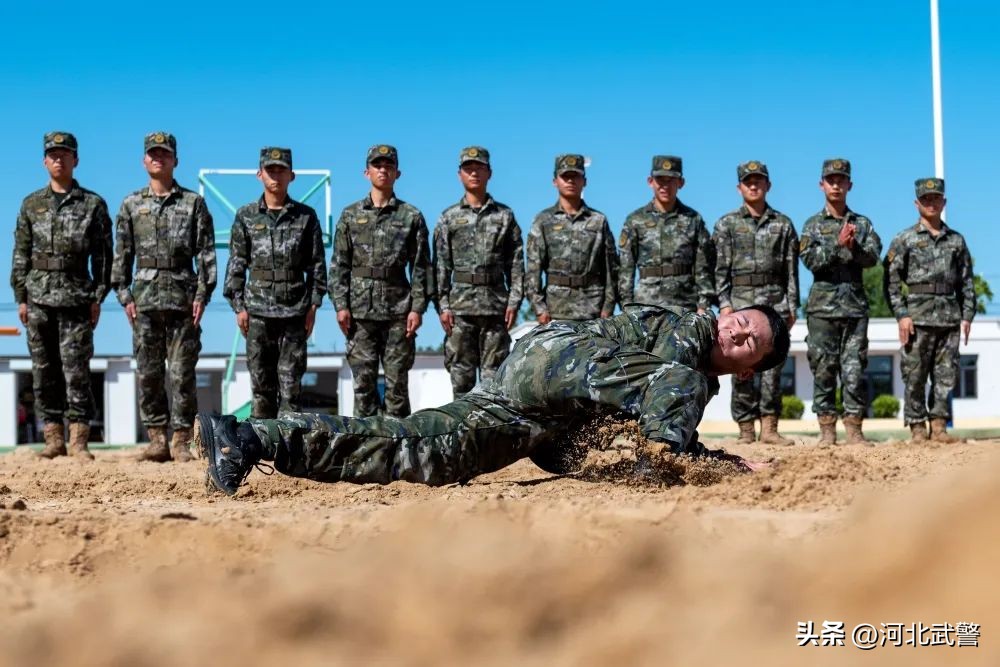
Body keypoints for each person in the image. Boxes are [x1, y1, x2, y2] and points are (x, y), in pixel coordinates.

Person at [196, 303, 790, 495]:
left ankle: (251, 437)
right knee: (674, 404)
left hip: (532, 408)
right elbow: (671, 395)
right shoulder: (688, 336)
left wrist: (713, 457)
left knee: (417, 451)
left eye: (749, 344)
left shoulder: (680, 373)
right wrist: (697, 464)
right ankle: (668, 472)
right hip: (555, 363)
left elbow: (660, 407)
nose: (736, 333)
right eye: (741, 321)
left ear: (750, 369)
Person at [112, 132, 217, 462]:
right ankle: (157, 439)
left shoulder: (193, 203)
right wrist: (124, 294)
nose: (158, 158)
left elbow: (207, 253)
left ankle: (181, 440)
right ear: (144, 160)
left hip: (183, 300)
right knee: (149, 372)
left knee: (182, 373)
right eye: (152, 153)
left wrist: (203, 292)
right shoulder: (131, 205)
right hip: (144, 300)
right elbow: (122, 255)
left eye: (165, 153)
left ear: (175, 160)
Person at [10, 131, 113, 461]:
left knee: (77, 370)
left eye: (64, 153)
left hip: (76, 298)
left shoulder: (93, 204)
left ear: (75, 159)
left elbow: (103, 256)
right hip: (38, 297)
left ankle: (80, 439)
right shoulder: (31, 204)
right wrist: (21, 297)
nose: (58, 158)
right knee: (43, 370)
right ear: (44, 161)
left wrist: (97, 295)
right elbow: (20, 253)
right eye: (52, 154)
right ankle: (52, 437)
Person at [222, 147, 327, 418]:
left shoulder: (306, 217)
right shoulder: (245, 216)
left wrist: (314, 305)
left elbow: (317, 266)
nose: (275, 176)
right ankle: (263, 448)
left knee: (291, 386)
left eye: (281, 170)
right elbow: (236, 265)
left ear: (292, 175)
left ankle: (289, 453)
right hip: (257, 312)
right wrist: (238, 307)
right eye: (270, 170)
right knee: (261, 387)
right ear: (259, 175)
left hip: (294, 312)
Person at [330, 144, 433, 417]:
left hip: (398, 312)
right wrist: (341, 305)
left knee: (397, 387)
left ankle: (399, 454)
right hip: (360, 314)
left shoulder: (411, 216)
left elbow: (422, 267)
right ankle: (365, 453)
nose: (383, 170)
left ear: (398, 173)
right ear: (367, 172)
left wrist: (417, 308)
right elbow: (339, 265)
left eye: (388, 165)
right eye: (377, 165)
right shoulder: (350, 215)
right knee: (363, 387)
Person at [712, 160, 799, 445]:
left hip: (774, 304)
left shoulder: (783, 224)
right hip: (740, 304)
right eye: (748, 182)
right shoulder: (726, 225)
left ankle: (770, 428)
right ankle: (746, 428)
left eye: (758, 181)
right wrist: (724, 303)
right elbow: (719, 268)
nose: (753, 185)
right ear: (739, 188)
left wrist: (792, 305)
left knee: (773, 367)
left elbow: (791, 269)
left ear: (768, 186)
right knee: (741, 367)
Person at [883, 178, 975, 443]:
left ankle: (939, 426)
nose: (931, 203)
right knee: (915, 375)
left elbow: (966, 281)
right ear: (916, 204)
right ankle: (917, 427)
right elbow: (890, 280)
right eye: (926, 199)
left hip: (948, 317)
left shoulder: (956, 241)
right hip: (917, 317)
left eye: (936, 198)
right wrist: (901, 315)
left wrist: (967, 315)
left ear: (944, 202)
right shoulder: (904, 239)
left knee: (946, 375)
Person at [800, 159, 882, 446]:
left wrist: (854, 246)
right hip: (822, 308)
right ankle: (826, 430)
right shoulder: (812, 225)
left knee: (854, 369)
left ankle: (854, 429)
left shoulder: (863, 224)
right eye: (830, 179)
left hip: (854, 308)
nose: (836, 184)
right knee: (823, 367)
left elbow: (873, 258)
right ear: (821, 184)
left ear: (850, 185)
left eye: (841, 179)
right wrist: (838, 245)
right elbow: (810, 261)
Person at [433, 146, 524, 397]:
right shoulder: (448, 218)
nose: (474, 173)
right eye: (468, 168)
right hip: (459, 310)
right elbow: (441, 265)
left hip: (495, 308)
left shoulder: (504, 216)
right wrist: (443, 305)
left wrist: (514, 301)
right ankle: (463, 436)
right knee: (461, 381)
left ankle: (493, 436)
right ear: (460, 174)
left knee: (495, 382)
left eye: (479, 168)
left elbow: (515, 263)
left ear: (489, 173)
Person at [526, 154, 618, 323]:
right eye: (565, 177)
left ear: (585, 181)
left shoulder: (598, 220)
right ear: (555, 181)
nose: (570, 181)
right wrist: (539, 308)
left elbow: (611, 269)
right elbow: (533, 269)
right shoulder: (543, 220)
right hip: (555, 309)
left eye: (575, 176)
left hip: (593, 309)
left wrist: (608, 307)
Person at [618, 155, 715, 312]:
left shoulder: (693, 219)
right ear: (650, 182)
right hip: (645, 304)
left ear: (681, 183)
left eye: (670, 180)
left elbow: (703, 266)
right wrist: (626, 305)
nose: (665, 186)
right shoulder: (635, 220)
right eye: (660, 180)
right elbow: (625, 268)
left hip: (684, 304)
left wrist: (703, 305)